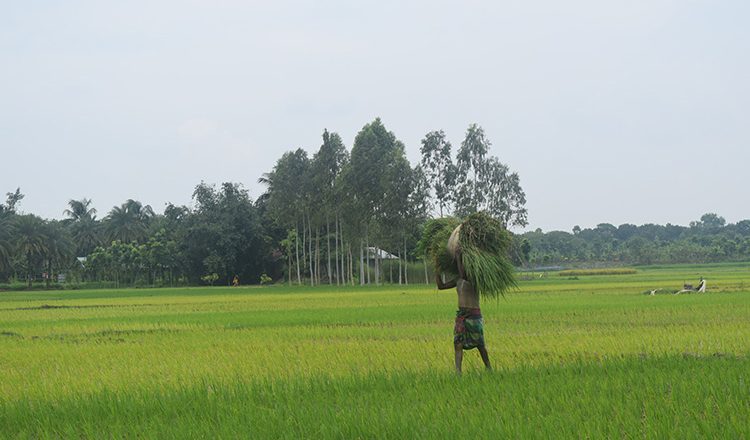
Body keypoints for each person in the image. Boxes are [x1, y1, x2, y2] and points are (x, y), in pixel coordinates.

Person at [436, 232, 492, 375]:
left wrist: (460, 256)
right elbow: (441, 286)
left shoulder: (474, 279)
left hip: (473, 316)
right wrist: (437, 269)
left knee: (480, 344)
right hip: (461, 316)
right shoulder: (457, 281)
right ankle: (458, 372)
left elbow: (464, 274)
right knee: (458, 343)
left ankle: (488, 367)